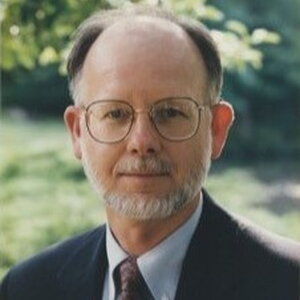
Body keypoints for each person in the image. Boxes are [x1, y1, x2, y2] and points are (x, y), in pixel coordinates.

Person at [1, 4, 299, 300]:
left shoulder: (288, 282)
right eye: (116, 114)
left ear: (216, 129)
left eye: (170, 112)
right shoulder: (27, 288)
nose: (142, 141)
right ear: (78, 132)